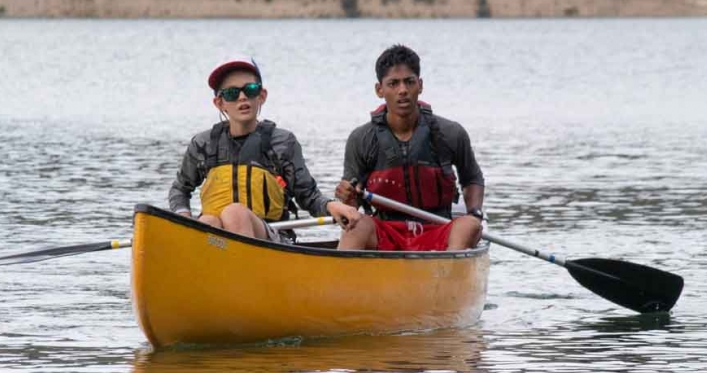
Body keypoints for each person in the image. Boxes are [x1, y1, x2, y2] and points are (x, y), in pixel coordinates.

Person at [169, 57, 361, 242]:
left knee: (235, 212)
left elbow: (308, 196)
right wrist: (184, 217)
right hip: (217, 239)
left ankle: (244, 270)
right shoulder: (203, 144)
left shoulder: (283, 143)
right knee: (207, 220)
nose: (242, 97)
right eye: (231, 93)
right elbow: (180, 189)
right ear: (220, 103)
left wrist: (331, 205)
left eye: (250, 90)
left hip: (272, 237)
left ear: (261, 96)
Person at [335, 45, 485, 251]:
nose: (402, 90)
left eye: (409, 82)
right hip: (385, 231)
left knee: (470, 225)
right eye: (393, 84)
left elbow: (472, 178)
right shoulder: (361, 139)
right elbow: (351, 209)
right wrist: (347, 198)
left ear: (420, 85)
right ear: (380, 90)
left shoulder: (451, 133)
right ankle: (344, 280)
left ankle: (447, 273)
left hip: (438, 227)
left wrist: (475, 212)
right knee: (355, 226)